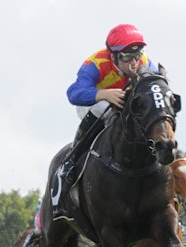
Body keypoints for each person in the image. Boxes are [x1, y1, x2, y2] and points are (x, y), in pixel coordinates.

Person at [54, 23, 159, 217]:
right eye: (127, 57)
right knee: (108, 111)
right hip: (94, 102)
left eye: (137, 55)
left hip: (125, 104)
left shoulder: (144, 62)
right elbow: (73, 93)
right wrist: (103, 94)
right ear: (113, 55)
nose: (134, 63)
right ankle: (70, 164)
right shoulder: (95, 63)